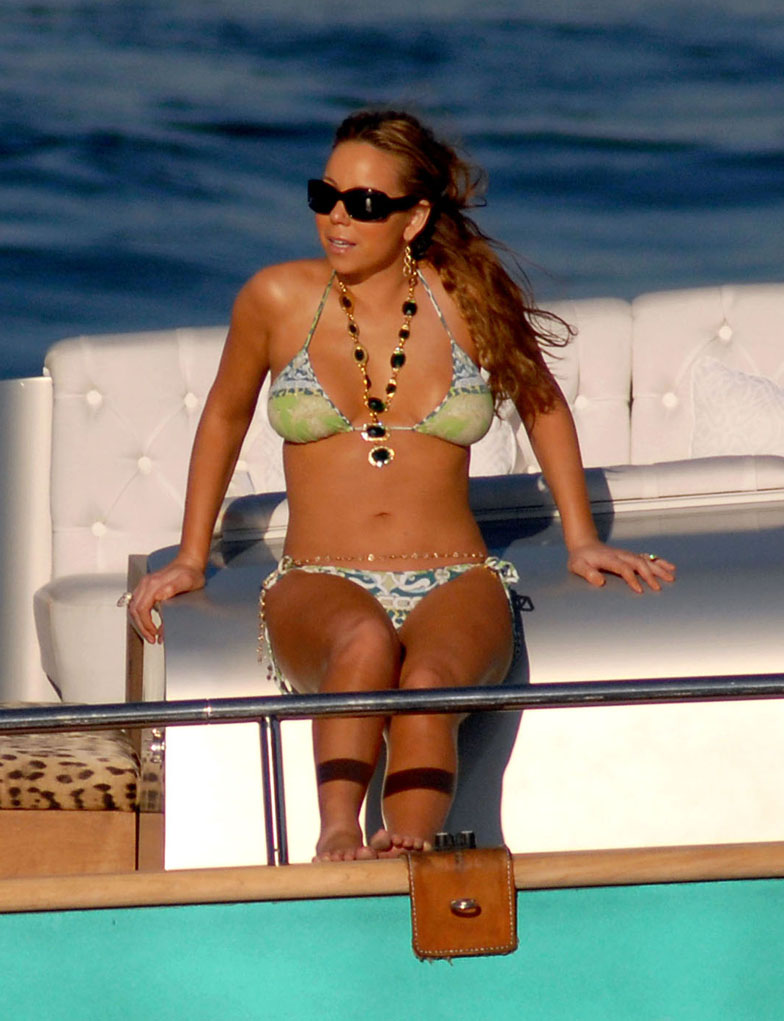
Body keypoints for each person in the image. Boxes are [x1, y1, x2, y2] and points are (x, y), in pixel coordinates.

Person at [128, 109, 675, 862]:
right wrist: (193, 556)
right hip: (319, 575)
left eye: (363, 204)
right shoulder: (277, 299)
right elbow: (223, 418)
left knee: (429, 679)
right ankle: (336, 833)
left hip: (457, 574)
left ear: (413, 217)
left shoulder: (468, 300)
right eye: (325, 196)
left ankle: (410, 845)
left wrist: (582, 540)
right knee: (360, 643)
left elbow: (543, 404)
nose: (337, 218)